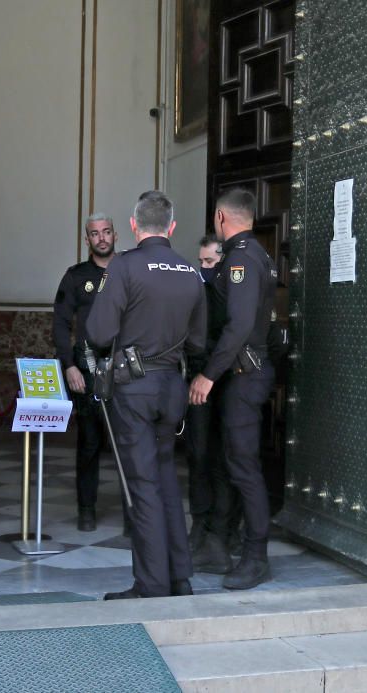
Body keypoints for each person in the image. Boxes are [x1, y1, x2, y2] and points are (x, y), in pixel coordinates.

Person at [86, 190, 206, 599]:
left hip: (134, 389)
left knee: (143, 485)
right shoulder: (190, 271)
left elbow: (99, 333)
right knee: (167, 480)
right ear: (171, 227)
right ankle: (179, 578)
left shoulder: (125, 266)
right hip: (171, 387)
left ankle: (152, 585)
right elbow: (200, 340)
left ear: (134, 226)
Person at [189, 187, 278, 590]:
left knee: (243, 466)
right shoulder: (258, 254)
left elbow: (239, 325)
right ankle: (219, 545)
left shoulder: (240, 259)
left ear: (221, 218)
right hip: (241, 376)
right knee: (229, 463)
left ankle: (256, 555)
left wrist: (208, 373)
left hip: (244, 376)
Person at [52, 213, 117, 532]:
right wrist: (69, 365)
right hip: (87, 367)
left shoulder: (128, 270)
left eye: (106, 232)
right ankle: (86, 508)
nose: (101, 238)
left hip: (123, 366)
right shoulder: (76, 276)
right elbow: (61, 324)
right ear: (86, 239)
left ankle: (135, 514)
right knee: (90, 442)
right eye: (95, 234)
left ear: (115, 235)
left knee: (129, 442)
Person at [185, 236, 239, 575]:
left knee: (224, 459)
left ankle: (223, 530)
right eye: (201, 262)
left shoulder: (234, 292)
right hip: (197, 382)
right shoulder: (197, 292)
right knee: (198, 455)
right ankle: (200, 525)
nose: (205, 268)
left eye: (210, 262)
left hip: (226, 382)